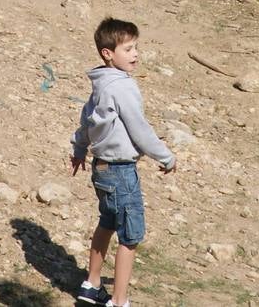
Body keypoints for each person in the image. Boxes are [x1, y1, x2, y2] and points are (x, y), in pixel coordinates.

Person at [70, 17, 176, 307]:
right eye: (128, 49)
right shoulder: (123, 87)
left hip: (101, 169)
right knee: (130, 236)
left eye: (136, 47)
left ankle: (91, 284)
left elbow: (85, 120)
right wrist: (165, 156)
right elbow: (139, 129)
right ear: (108, 53)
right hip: (121, 172)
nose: (136, 54)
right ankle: (119, 300)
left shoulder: (101, 84)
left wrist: (79, 149)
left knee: (107, 222)